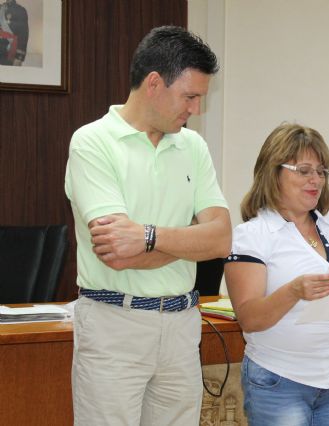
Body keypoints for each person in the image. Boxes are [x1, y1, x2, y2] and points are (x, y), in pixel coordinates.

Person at [64, 26, 231, 426]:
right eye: (189, 96)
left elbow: (222, 239)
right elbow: (118, 254)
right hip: (114, 325)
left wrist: (150, 237)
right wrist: (189, 242)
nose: (195, 109)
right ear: (154, 83)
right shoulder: (92, 142)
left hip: (181, 326)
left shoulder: (193, 147)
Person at [224, 123, 329, 426]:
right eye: (304, 170)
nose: (316, 180)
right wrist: (293, 291)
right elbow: (249, 318)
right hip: (280, 380)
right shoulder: (252, 235)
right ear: (274, 172)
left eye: (322, 171)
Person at [0, 0, 28, 66]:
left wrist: (19, 58)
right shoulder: (1, 8)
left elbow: (23, 36)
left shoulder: (20, 10)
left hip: (9, 53)